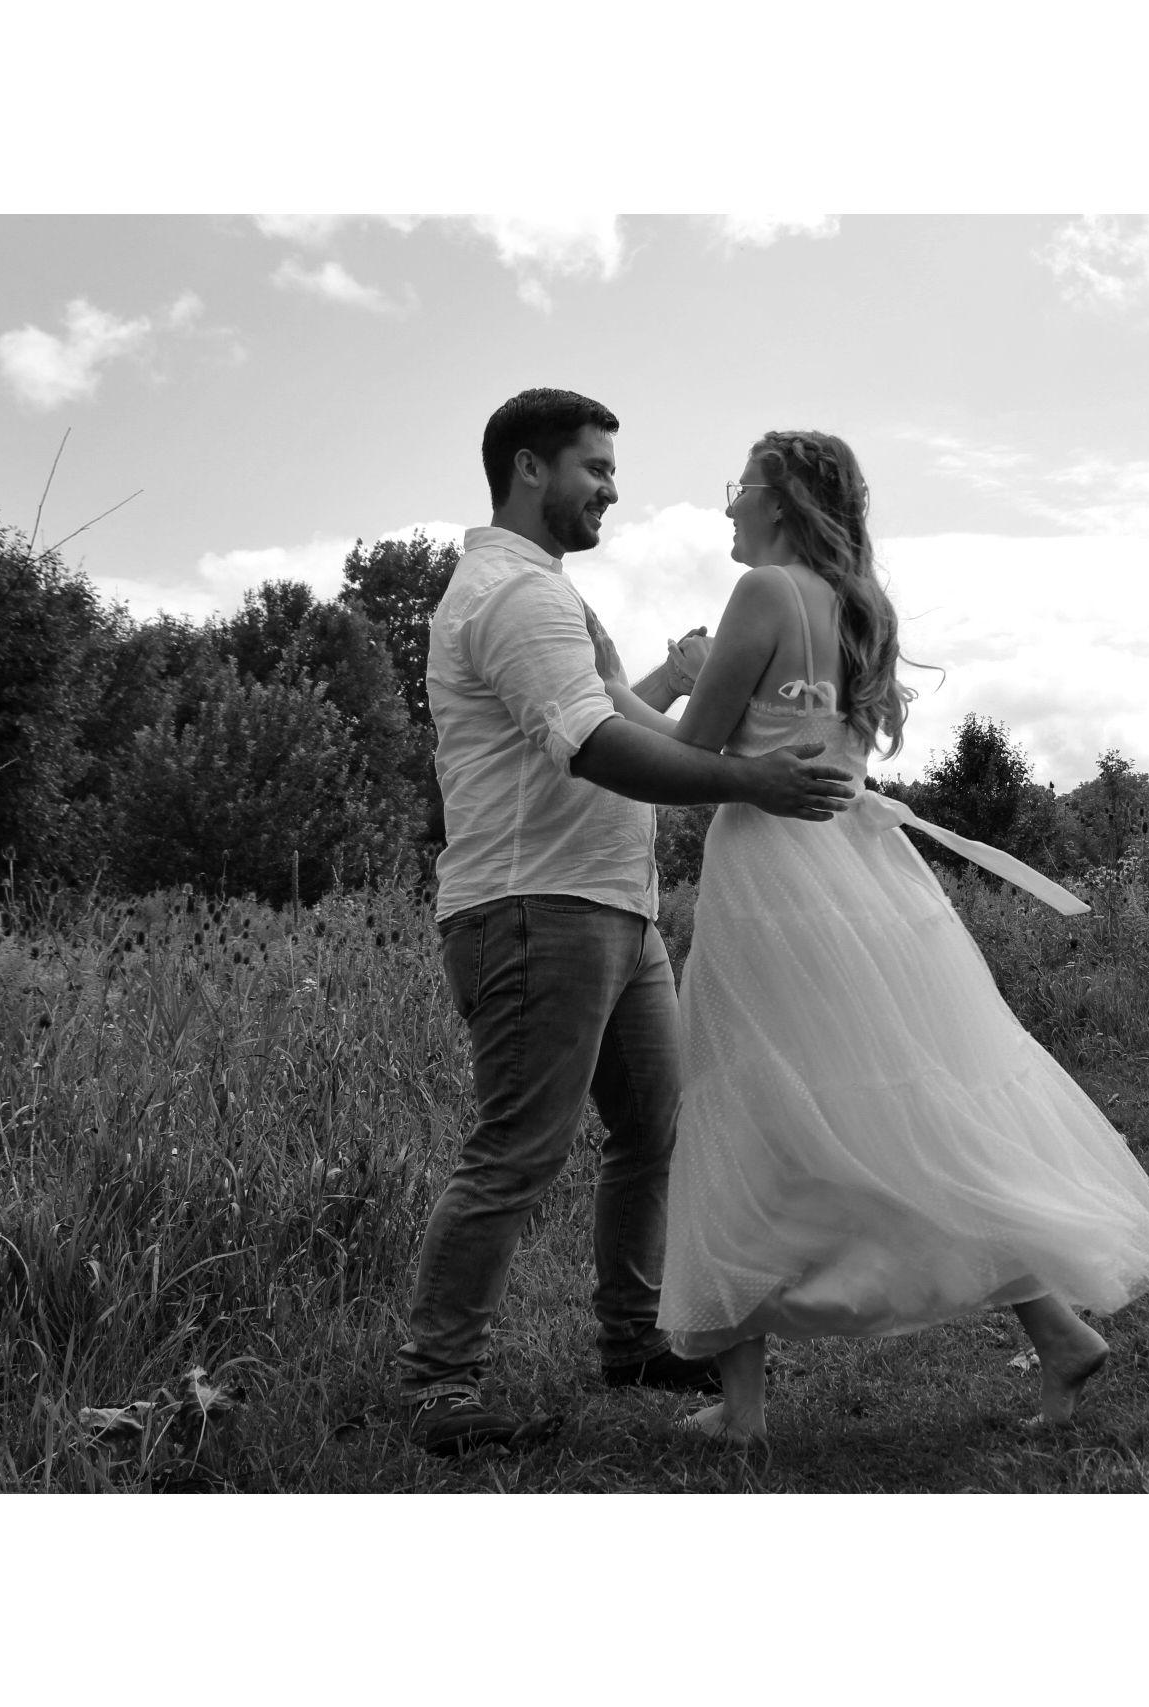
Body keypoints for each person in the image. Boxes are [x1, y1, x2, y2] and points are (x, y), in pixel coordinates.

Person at [651, 430, 1149, 1444]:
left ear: (781, 501)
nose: (727, 506)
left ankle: (745, 1410)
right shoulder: (860, 606)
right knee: (900, 1106)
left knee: (748, 1106)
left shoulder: (763, 594)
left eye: (741, 488)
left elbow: (690, 757)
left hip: (774, 877)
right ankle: (1057, 1330)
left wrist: (654, 681)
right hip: (865, 874)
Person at [398, 390, 856, 1456]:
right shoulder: (516, 595)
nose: (612, 488)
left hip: (611, 904)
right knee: (517, 1149)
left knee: (655, 1129)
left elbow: (601, 710)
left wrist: (677, 687)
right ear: (529, 469)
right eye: (595, 468)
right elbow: (595, 746)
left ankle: (633, 1337)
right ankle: (437, 1384)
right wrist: (748, 779)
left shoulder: (548, 593)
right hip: (533, 906)